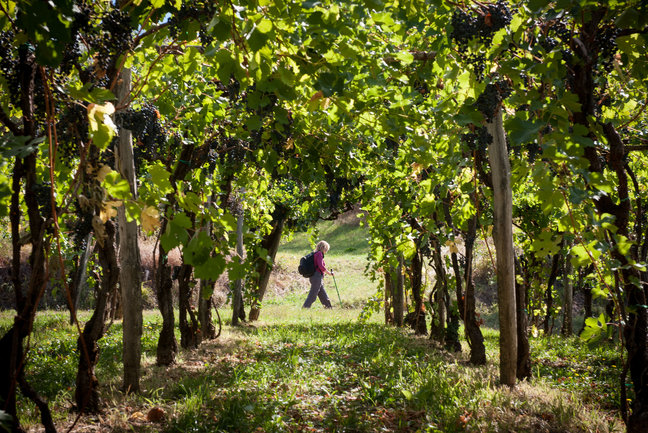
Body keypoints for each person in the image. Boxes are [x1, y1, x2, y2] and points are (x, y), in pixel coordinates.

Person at [302, 240, 334, 309]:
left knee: (322, 293)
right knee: (313, 294)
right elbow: (321, 266)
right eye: (326, 250)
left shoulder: (315, 253)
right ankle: (305, 308)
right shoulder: (319, 254)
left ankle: (329, 308)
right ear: (324, 248)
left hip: (314, 276)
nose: (326, 252)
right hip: (317, 276)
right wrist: (329, 273)